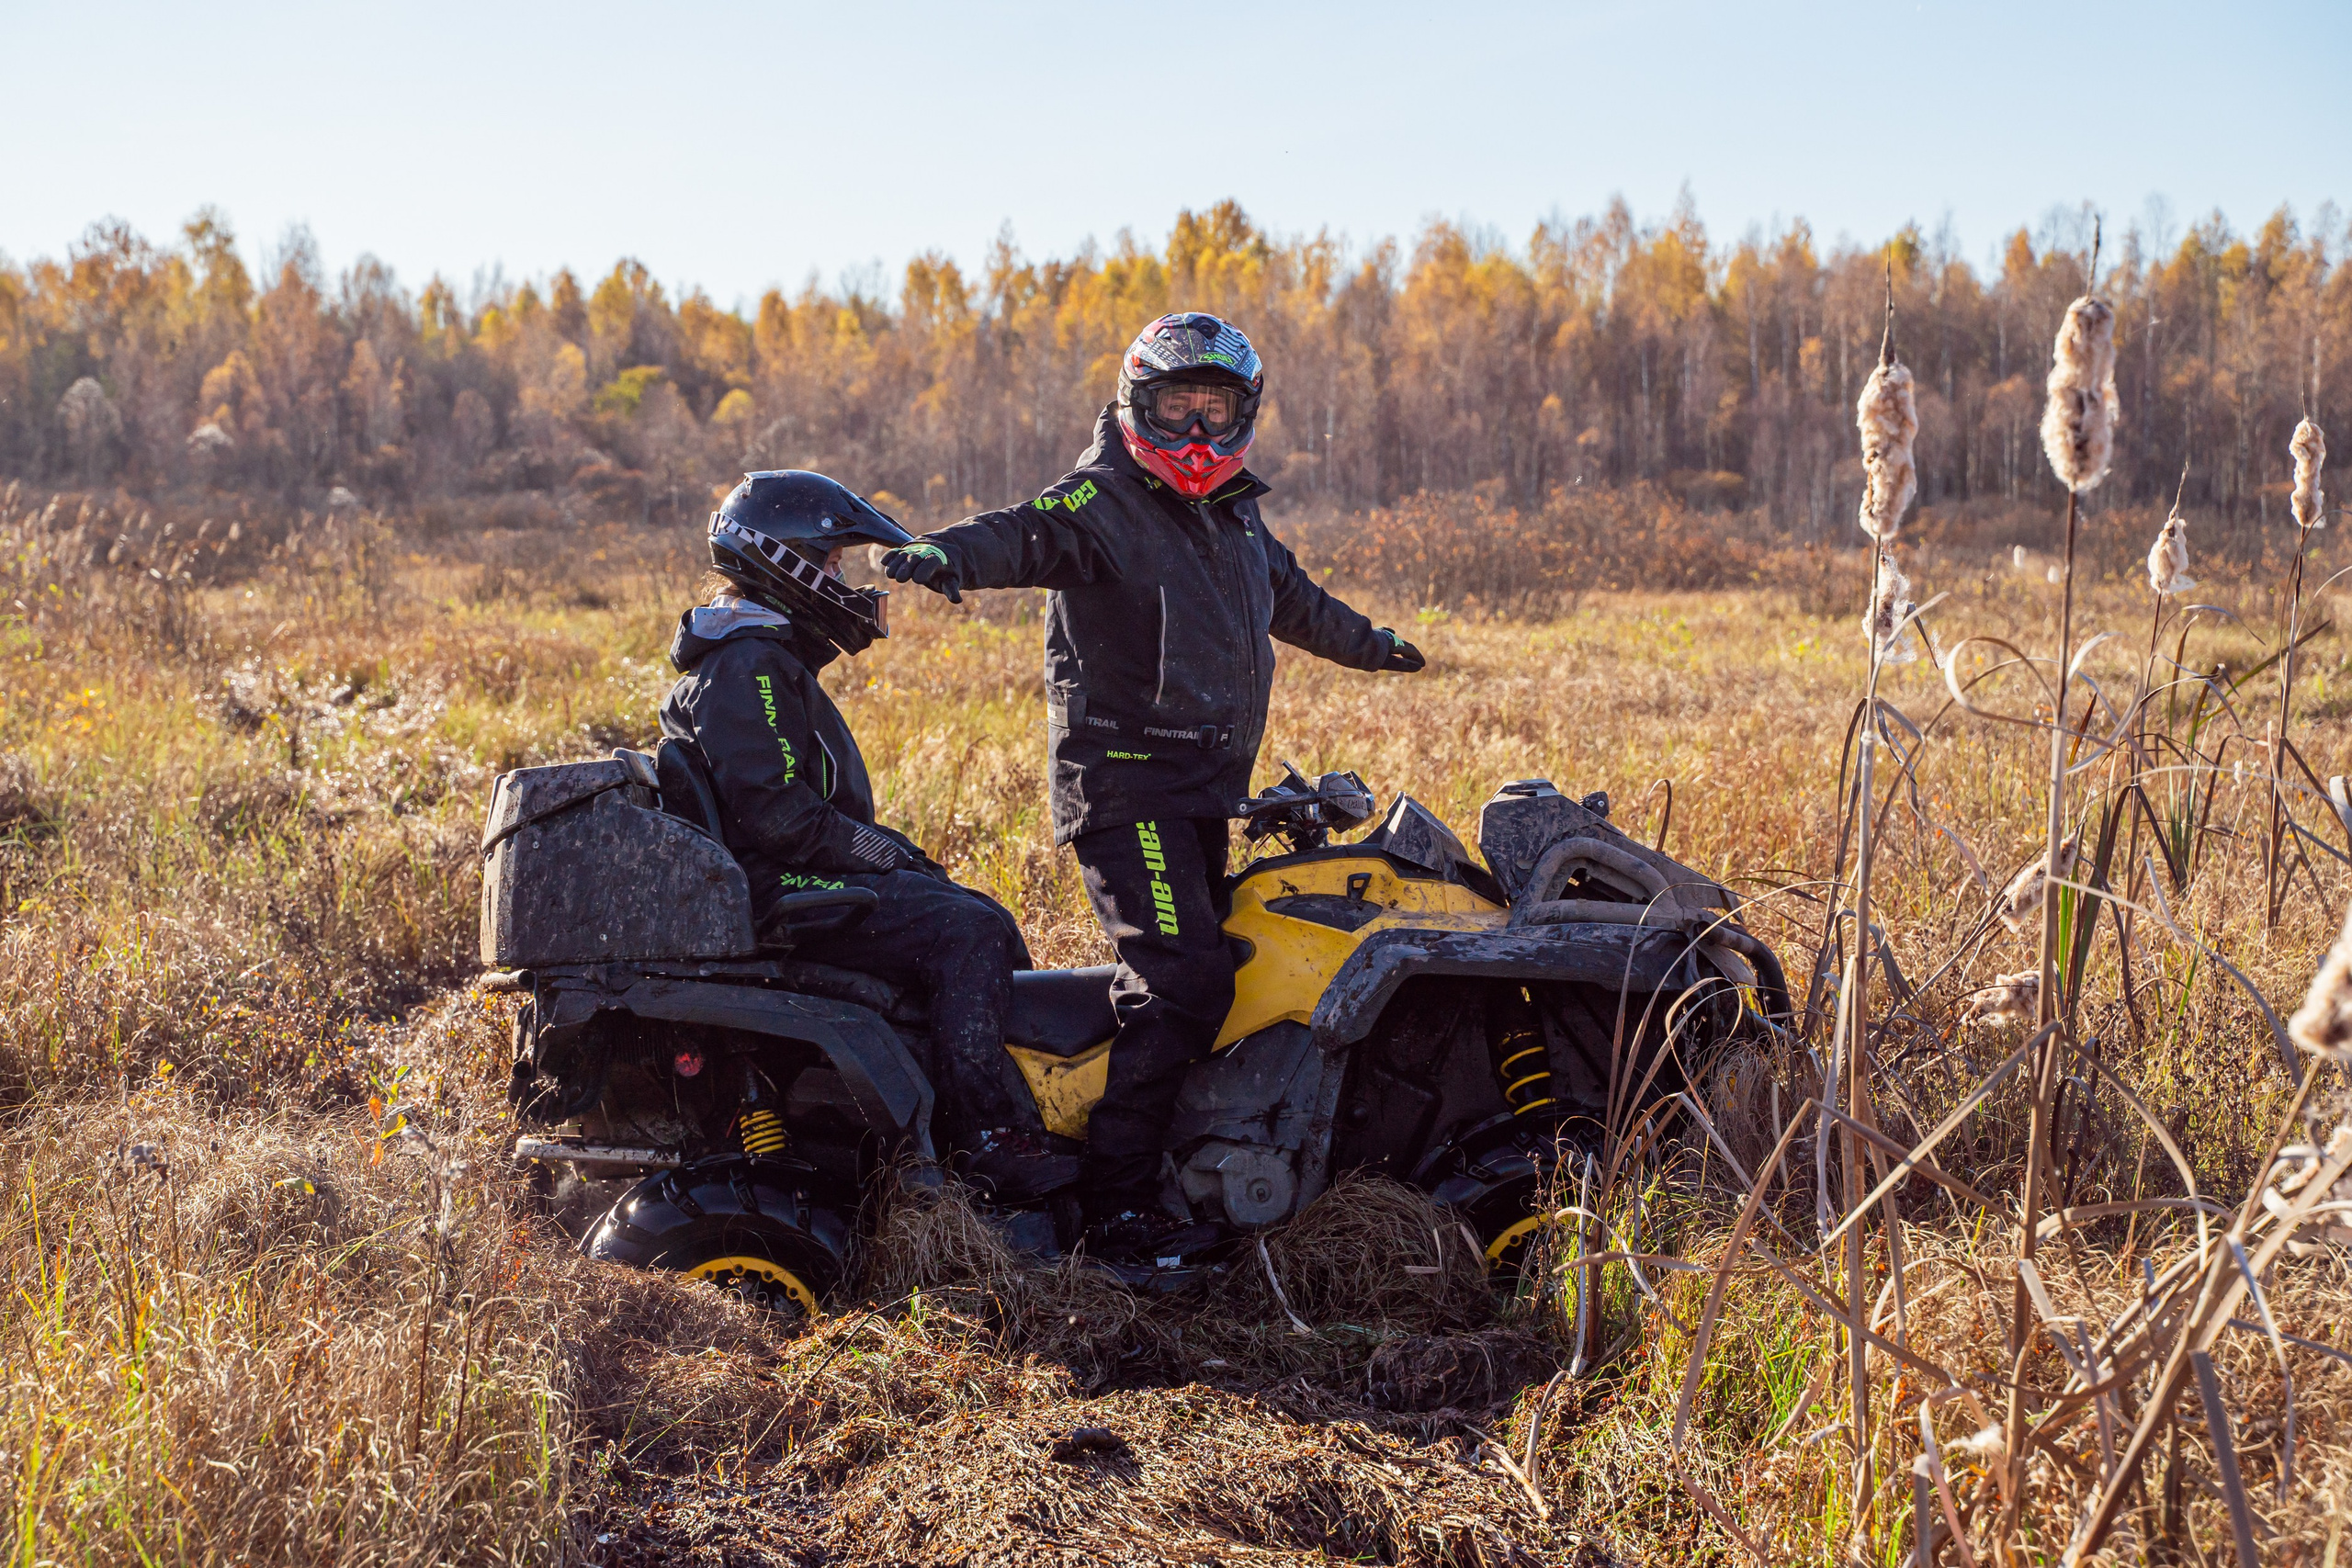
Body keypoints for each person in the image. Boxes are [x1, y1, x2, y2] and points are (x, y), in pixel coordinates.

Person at [883, 312, 1426, 1259]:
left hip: (1202, 788)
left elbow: (1292, 600)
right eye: (1179, 408)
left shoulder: (1235, 513)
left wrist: (1370, 645)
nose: (1200, 435)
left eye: (1217, 411)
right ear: (1140, 404)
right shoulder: (1102, 504)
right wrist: (943, 554)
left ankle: (1195, 1163)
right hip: (1125, 786)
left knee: (1224, 971)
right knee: (1182, 979)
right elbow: (1021, 533)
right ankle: (1116, 1208)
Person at [662, 470, 1076, 1201]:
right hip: (775, 888)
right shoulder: (747, 662)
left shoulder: (761, 654)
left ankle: (991, 1114)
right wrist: (876, 852)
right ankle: (984, 1140)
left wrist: (895, 857)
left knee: (982, 918)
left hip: (783, 872)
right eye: (831, 564)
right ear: (781, 561)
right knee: (968, 933)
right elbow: (777, 815)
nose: (840, 580)